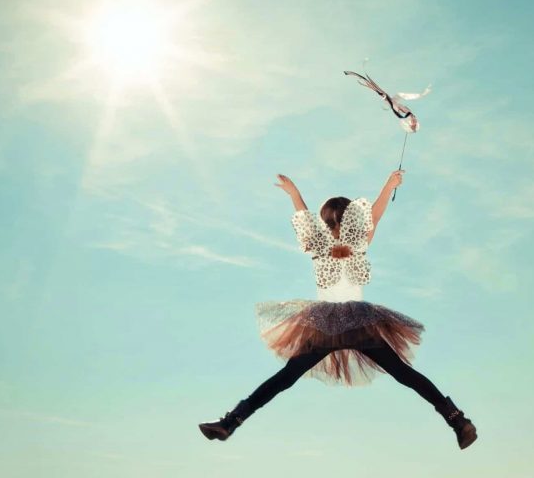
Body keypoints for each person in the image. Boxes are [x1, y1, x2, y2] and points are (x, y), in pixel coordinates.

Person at [198, 171, 477, 449]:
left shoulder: (318, 244)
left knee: (285, 378)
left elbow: (305, 218)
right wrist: (388, 185)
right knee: (403, 373)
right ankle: (457, 420)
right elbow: (375, 216)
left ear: (324, 221)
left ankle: (230, 422)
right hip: (359, 324)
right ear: (352, 218)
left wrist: (294, 193)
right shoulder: (358, 243)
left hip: (325, 326)